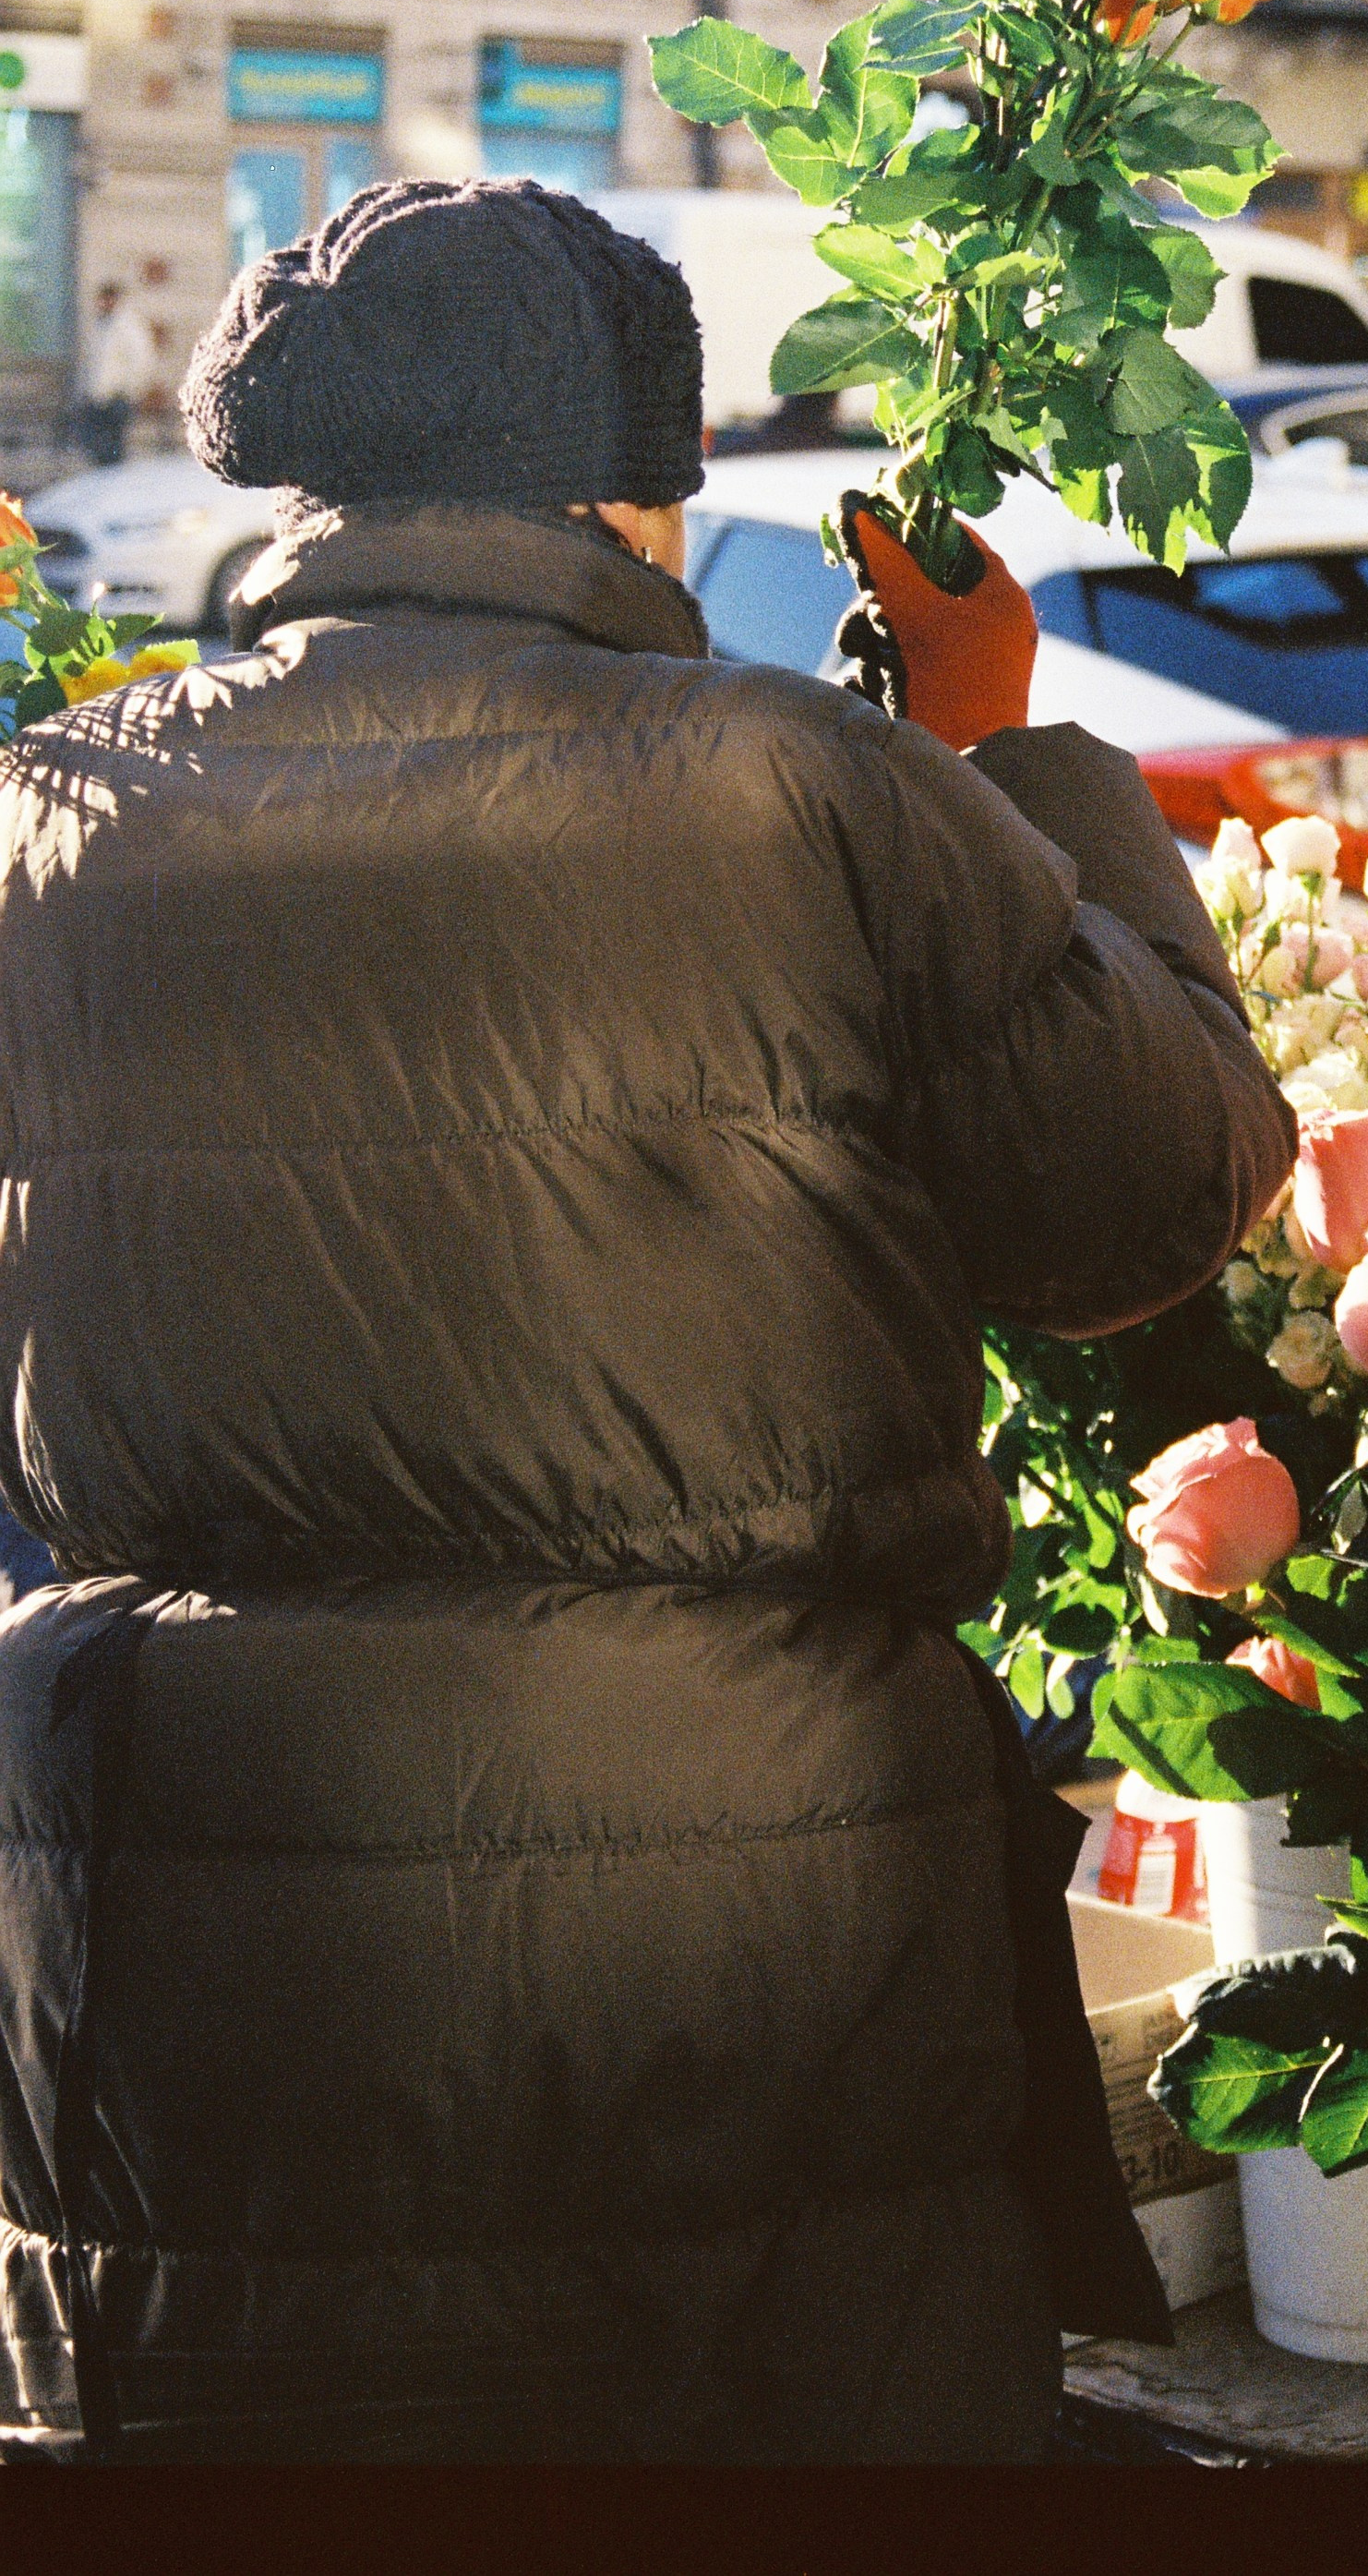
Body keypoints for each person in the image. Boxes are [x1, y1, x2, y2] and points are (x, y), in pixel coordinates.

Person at [0, 176, 1294, 2463]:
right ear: (630, 490)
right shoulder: (805, 788)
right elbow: (1147, 1190)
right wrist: (1005, 755)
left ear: (299, 482)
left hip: (187, 1987)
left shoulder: (47, 818)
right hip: (757, 1954)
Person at [73, 278, 162, 465]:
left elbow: (142, 360)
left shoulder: (128, 326)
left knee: (113, 446)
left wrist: (130, 389)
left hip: (118, 396)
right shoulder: (100, 325)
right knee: (96, 445)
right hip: (98, 396)